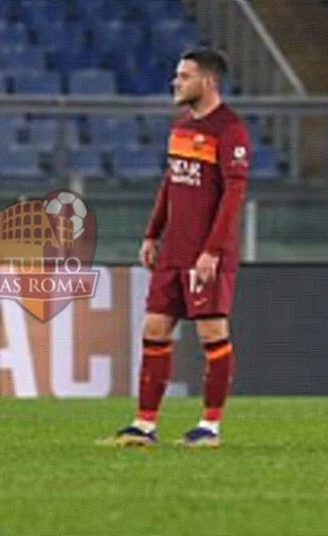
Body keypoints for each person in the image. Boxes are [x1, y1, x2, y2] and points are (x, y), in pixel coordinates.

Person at [100, 48, 250, 447]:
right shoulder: (182, 127)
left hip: (206, 254)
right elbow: (171, 183)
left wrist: (213, 251)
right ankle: (144, 425)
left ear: (209, 82)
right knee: (154, 328)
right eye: (177, 76)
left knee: (211, 332)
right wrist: (153, 233)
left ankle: (210, 426)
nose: (176, 82)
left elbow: (234, 195)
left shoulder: (229, 129)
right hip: (173, 251)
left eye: (184, 76)